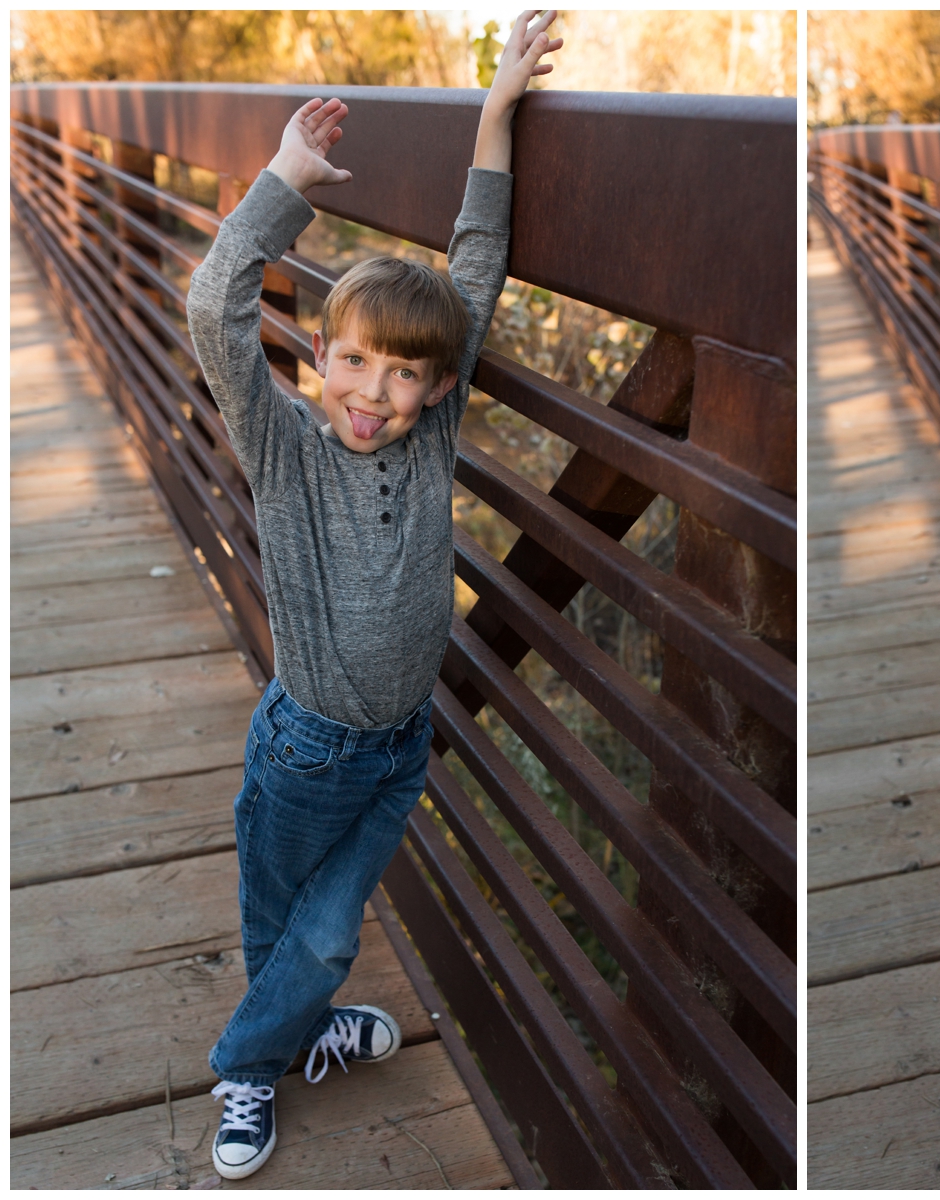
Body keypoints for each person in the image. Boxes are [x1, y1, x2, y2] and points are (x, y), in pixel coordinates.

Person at [184, 11, 561, 1180]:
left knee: (319, 926)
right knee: (298, 922)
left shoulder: (432, 433)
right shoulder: (286, 444)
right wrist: (284, 184)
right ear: (316, 359)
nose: (374, 391)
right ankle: (251, 1069)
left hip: (401, 745)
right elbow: (211, 309)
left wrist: (496, 110)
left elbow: (477, 269)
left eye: (405, 373)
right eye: (353, 360)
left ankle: (284, 1038)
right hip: (305, 745)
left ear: (439, 385)